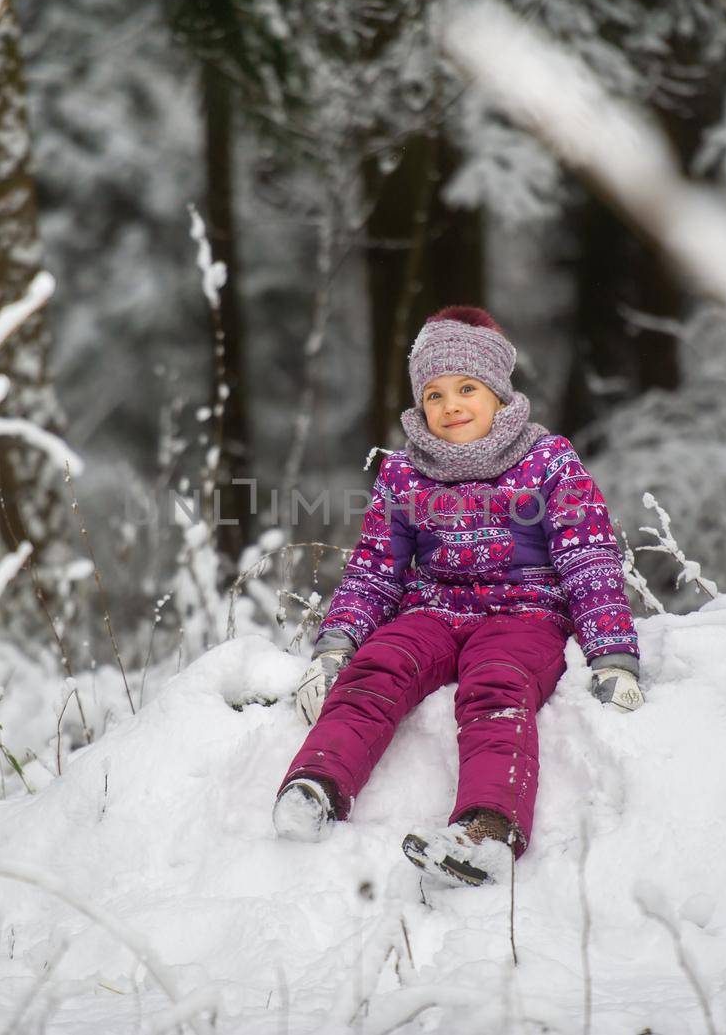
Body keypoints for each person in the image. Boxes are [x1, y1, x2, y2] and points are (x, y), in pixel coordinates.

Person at [272, 305, 642, 888]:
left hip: (524, 616)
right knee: (377, 668)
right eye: (435, 395)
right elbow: (375, 568)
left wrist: (613, 655)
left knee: (496, 685)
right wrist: (337, 642)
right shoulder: (403, 472)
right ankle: (317, 785)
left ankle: (487, 828)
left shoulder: (548, 463)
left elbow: (587, 558)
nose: (451, 406)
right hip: (432, 613)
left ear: (498, 394)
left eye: (467, 388)